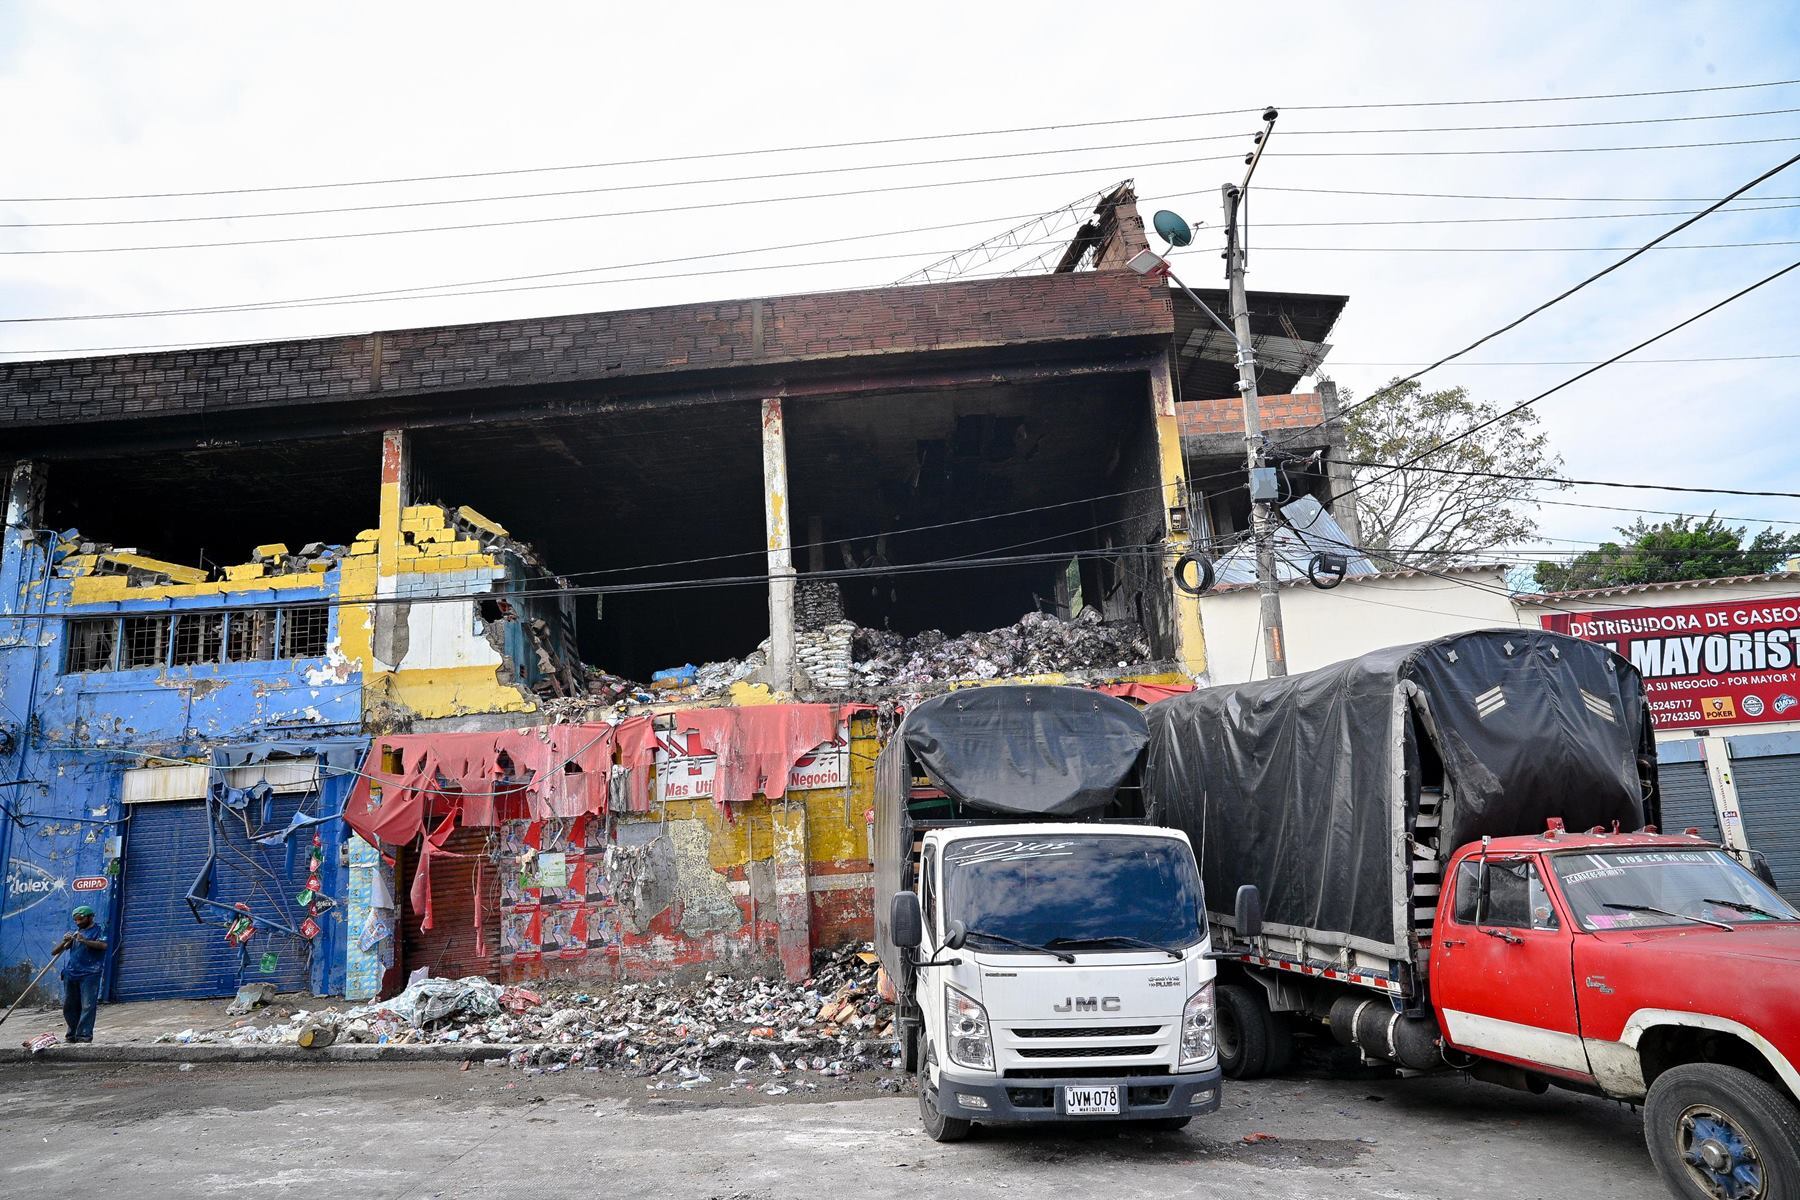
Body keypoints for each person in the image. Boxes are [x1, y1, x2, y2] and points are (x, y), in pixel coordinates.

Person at [55, 905, 108, 1043]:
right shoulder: (74, 934)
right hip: (71, 974)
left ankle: (84, 1036)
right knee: (69, 1006)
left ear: (90, 917)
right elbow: (54, 952)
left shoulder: (99, 930)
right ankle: (72, 1034)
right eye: (76, 919)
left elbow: (103, 946)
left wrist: (84, 941)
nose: (78, 922)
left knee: (87, 1005)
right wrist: (65, 941)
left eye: (81, 918)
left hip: (90, 973)